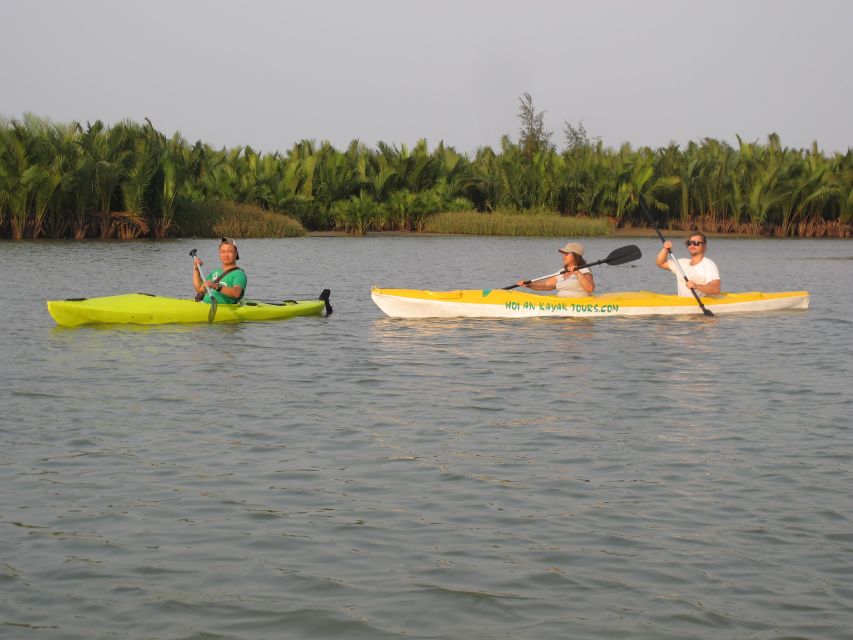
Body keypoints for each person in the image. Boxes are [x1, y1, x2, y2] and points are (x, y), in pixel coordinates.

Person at [516, 242, 595, 296]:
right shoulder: (561, 272)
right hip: (562, 305)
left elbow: (590, 289)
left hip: (578, 306)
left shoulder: (584, 271)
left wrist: (577, 273)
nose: (563, 256)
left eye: (566, 254)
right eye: (563, 254)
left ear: (576, 256)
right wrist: (529, 285)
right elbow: (545, 285)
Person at [655, 232, 720, 297]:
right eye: (689, 243)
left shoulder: (709, 265)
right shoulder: (681, 263)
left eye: (696, 243)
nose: (692, 245)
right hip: (683, 304)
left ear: (704, 246)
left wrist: (696, 286)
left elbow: (716, 289)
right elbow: (661, 263)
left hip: (701, 304)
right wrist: (665, 249)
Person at [193, 237, 247, 304]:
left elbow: (237, 293)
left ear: (236, 253)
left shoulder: (239, 274)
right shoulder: (215, 272)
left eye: (229, 251)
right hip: (205, 305)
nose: (226, 255)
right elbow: (200, 290)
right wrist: (196, 269)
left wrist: (216, 286)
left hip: (224, 309)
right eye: (222, 252)